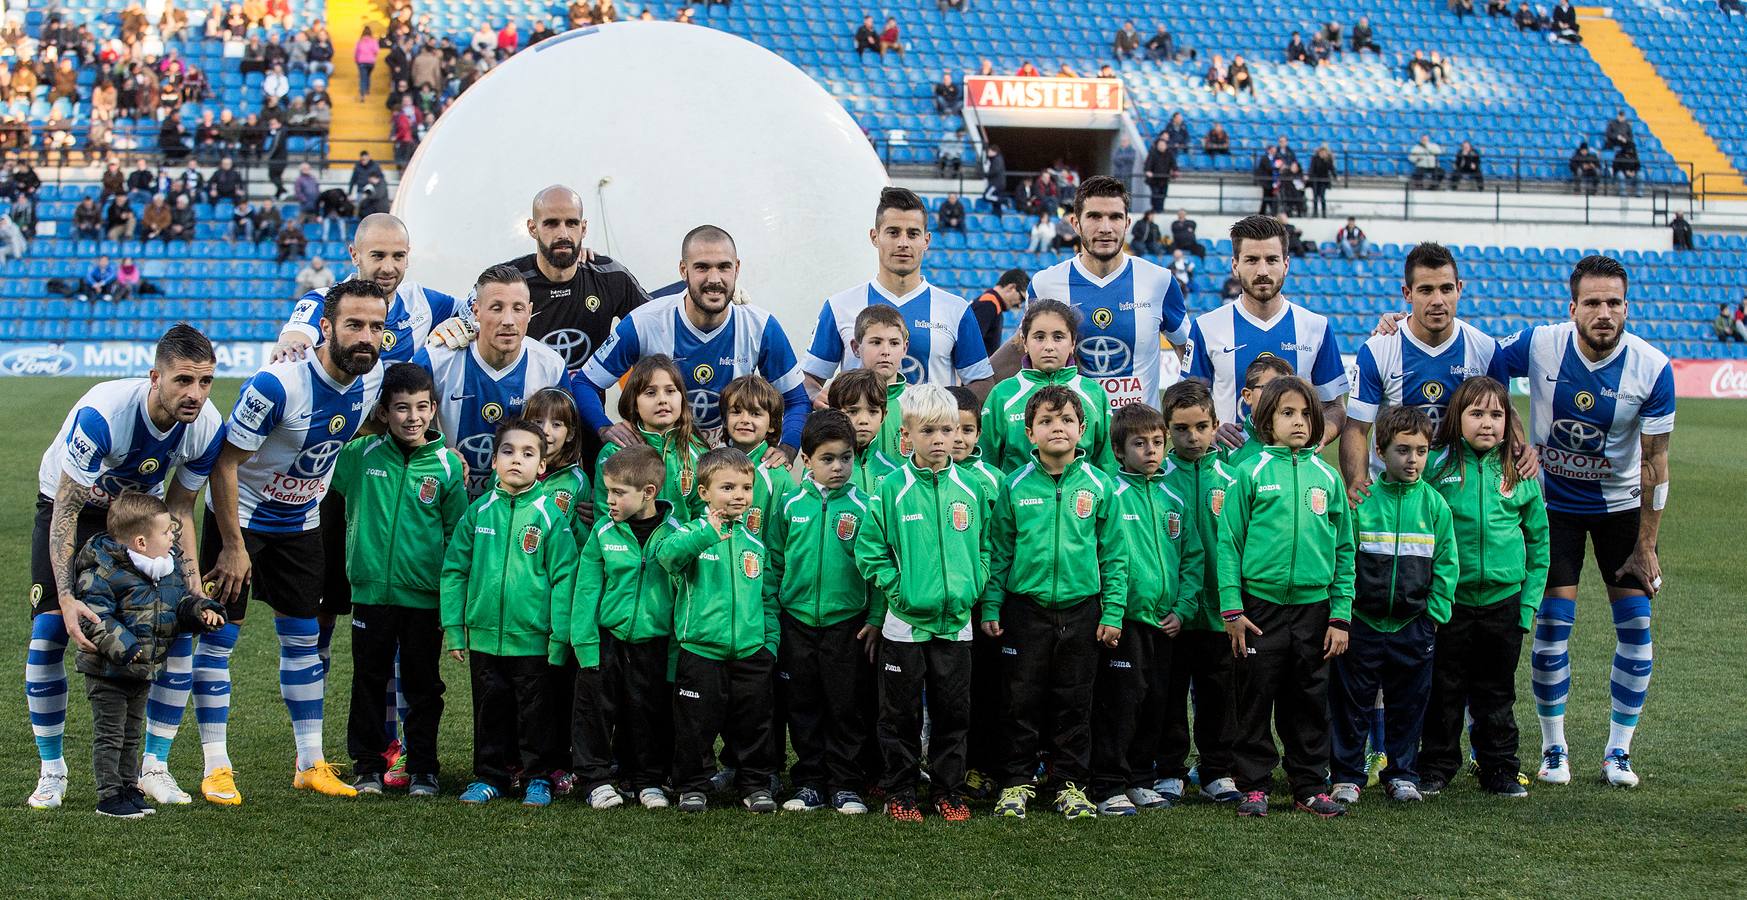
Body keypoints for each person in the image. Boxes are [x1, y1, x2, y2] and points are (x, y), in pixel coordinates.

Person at [200, 280, 389, 801]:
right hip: (241, 521)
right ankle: (216, 765)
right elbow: (225, 463)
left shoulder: (371, 381)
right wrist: (233, 545)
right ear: (325, 328)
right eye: (353, 324)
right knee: (218, 639)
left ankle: (310, 762)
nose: (365, 336)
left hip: (301, 523)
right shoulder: (276, 385)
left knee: (305, 641)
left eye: (376, 326)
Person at [24, 326, 225, 811]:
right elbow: (67, 509)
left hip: (141, 518)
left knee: (176, 628)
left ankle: (154, 767)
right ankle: (52, 771)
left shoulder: (205, 425)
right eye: (182, 381)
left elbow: (180, 510)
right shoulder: (104, 415)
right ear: (156, 377)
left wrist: (192, 594)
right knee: (52, 630)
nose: (194, 394)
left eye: (204, 382)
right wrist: (69, 597)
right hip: (72, 508)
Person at [1494, 256, 1674, 789]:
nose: (1603, 312)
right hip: (1555, 510)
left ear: (1626, 308)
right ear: (1572, 307)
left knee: (1637, 631)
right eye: (1592, 302)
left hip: (1621, 510)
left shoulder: (1651, 366)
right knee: (1551, 631)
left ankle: (1618, 752)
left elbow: (1655, 463)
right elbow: (1484, 361)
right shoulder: (1541, 343)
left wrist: (1647, 546)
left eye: (1613, 302)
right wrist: (1515, 435)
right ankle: (1554, 750)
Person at [981, 385, 1126, 820]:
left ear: (1083, 430)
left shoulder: (1101, 487)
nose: (1056, 428)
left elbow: (1115, 556)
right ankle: (1015, 783)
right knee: (1020, 701)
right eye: (1046, 421)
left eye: (1066, 421)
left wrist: (1114, 610)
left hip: (1083, 611)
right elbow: (999, 550)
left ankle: (1071, 786)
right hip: (1026, 610)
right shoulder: (1014, 485)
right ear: (1029, 433)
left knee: (1074, 702)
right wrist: (991, 606)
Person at [1216, 375, 1354, 818]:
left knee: (1309, 700)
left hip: (1314, 610)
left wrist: (1340, 616)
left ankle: (1309, 785)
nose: (1298, 422)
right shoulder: (1248, 473)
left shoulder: (1327, 478)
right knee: (1254, 696)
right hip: (1259, 609)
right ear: (1264, 422)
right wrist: (1233, 609)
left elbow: (1344, 550)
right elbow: (1229, 544)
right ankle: (1252, 784)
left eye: (1306, 414)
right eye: (1287, 413)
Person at [854, 385, 989, 822]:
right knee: (900, 716)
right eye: (928, 430)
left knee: (954, 714)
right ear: (906, 435)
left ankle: (948, 791)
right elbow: (869, 548)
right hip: (904, 626)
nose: (939, 439)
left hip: (956, 624)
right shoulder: (890, 488)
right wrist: (899, 591)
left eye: (947, 430)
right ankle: (901, 791)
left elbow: (988, 546)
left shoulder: (971, 487)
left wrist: (975, 582)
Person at [331, 363, 466, 796]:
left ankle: (424, 768)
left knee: (423, 685)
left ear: (433, 409)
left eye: (422, 407)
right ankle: (368, 766)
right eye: (402, 408)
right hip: (371, 594)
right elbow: (316, 473)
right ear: (383, 412)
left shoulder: (447, 467)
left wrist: (450, 601)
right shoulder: (359, 457)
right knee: (369, 680)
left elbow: (456, 537)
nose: (413, 417)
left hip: (425, 598)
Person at [1420, 376, 1549, 798]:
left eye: (1497, 414)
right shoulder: (1436, 470)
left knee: (1496, 693)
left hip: (1504, 605)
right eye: (1476, 414)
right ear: (1457, 419)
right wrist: (1433, 600)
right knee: (1445, 690)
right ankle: (1437, 767)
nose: (1487, 423)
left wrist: (1527, 607)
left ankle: (1500, 769)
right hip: (1450, 605)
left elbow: (1539, 543)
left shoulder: (1519, 472)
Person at [441, 419, 578, 806]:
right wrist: (454, 628)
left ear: (542, 467)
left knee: (537, 712)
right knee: (490, 709)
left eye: (528, 453)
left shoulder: (551, 516)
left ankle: (538, 776)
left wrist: (559, 636)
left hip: (533, 639)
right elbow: (455, 571)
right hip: (484, 635)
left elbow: (565, 578)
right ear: (495, 460)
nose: (517, 460)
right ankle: (490, 776)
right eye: (508, 451)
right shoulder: (478, 511)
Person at [577, 226, 810, 453]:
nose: (714, 278)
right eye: (702, 267)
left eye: (724, 267)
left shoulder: (761, 326)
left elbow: (797, 400)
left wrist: (787, 449)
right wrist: (604, 427)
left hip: (729, 469)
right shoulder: (644, 322)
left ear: (737, 269)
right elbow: (585, 383)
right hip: (661, 466)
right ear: (683, 270)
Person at [1328, 406, 1455, 806]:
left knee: (1408, 706)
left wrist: (1434, 614)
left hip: (1412, 626)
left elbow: (1448, 563)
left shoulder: (1435, 506)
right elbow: (1344, 559)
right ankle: (1347, 775)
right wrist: (1344, 612)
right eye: (1403, 450)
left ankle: (1402, 773)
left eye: (1421, 450)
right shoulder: (1362, 501)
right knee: (1351, 705)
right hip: (1363, 623)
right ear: (1380, 451)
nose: (1413, 459)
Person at [73, 491, 226, 819]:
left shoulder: (165, 568)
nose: (173, 537)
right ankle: (109, 795)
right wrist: (126, 648)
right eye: (166, 532)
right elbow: (94, 615)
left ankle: (130, 787)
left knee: (131, 733)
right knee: (111, 734)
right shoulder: (101, 567)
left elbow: (178, 603)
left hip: (144, 669)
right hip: (109, 670)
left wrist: (202, 610)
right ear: (141, 541)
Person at [1087, 402, 1201, 815]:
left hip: (1164, 622)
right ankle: (1107, 783)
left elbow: (1192, 556)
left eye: (1157, 442)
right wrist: (1111, 611)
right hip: (1124, 622)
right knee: (1120, 704)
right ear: (1119, 451)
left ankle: (1139, 778)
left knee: (1156, 701)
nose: (1151, 451)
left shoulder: (1174, 497)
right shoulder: (1109, 493)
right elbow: (1101, 557)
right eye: (1140, 444)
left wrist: (1184, 608)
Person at [1343, 242, 1518, 507]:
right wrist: (1357, 482)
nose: (1438, 300)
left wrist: (1519, 453)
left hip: (1459, 494)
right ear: (1408, 293)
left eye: (1446, 289)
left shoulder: (1485, 350)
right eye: (1426, 290)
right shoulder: (1379, 349)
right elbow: (1357, 428)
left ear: (1459, 289)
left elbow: (1505, 418)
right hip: (1394, 493)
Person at [996, 176, 1190, 411]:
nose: (1105, 228)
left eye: (1115, 217)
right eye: (1094, 216)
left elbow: (1185, 348)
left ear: (1127, 223)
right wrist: (975, 384)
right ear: (1075, 223)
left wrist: (1187, 402)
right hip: (1073, 436)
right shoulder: (1045, 284)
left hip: (1138, 437)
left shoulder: (1159, 281)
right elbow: (1023, 346)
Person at [557, 444, 681, 809]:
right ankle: (596, 780)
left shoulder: (676, 534)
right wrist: (583, 644)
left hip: (655, 643)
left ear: (648, 494)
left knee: (648, 712)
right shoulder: (602, 532)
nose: (608, 499)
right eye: (607, 490)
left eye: (617, 493)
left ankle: (647, 780)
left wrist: (676, 649)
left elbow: (684, 595)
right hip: (606, 639)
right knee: (594, 710)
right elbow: (586, 590)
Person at [763, 410, 874, 814]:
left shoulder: (865, 507)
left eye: (846, 458)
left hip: (847, 624)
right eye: (827, 459)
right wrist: (773, 613)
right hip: (797, 623)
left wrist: (874, 618)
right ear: (805, 461)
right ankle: (808, 782)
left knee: (845, 706)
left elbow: (877, 568)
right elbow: (774, 560)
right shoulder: (790, 505)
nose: (839, 467)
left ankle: (845, 784)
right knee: (803, 706)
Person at [659, 448, 780, 813]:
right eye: (727, 487)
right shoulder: (692, 533)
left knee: (753, 726)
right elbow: (668, 558)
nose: (739, 495)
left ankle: (755, 784)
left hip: (750, 652)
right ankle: (692, 786)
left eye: (746, 487)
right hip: (701, 652)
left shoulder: (756, 542)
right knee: (695, 727)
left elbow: (768, 596)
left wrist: (768, 643)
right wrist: (705, 534)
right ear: (703, 492)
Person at [801, 188, 994, 398]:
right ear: (874, 237)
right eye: (893, 232)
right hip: (860, 431)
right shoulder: (839, 307)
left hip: (929, 429)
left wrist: (942, 410)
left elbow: (981, 382)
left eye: (913, 234)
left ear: (926, 241)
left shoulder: (956, 310)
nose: (903, 243)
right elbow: (809, 379)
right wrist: (815, 397)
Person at [1184, 215, 1349, 445]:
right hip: (1229, 473)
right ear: (1235, 265)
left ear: (1286, 265)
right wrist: (1212, 431)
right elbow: (1188, 405)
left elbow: (1334, 407)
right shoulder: (1206, 327)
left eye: (1272, 260)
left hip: (1294, 471)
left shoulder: (1316, 327)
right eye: (1251, 260)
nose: (1262, 270)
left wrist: (1317, 437)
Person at [412, 265, 569, 498]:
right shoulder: (436, 358)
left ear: (530, 311)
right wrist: (432, 450)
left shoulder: (551, 367)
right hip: (440, 499)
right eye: (496, 308)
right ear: (476, 311)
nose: (508, 320)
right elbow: (397, 424)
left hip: (513, 509)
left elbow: (564, 445)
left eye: (518, 309)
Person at [1157, 380, 1241, 804]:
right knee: (1169, 690)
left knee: (1218, 689)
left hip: (1220, 608)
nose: (1193, 437)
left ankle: (1216, 769)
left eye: (1201, 426)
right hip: (1171, 611)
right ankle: (1169, 768)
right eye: (1181, 428)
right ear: (1167, 428)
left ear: (1215, 425)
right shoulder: (1155, 479)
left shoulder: (1233, 478)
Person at [273, 213, 464, 365]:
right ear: (354, 255)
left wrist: (465, 323)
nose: (388, 268)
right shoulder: (323, 300)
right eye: (378, 256)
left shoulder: (422, 302)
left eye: (398, 256)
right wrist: (290, 343)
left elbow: (479, 308)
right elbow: (297, 336)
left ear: (407, 256)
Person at [980, 300, 1116, 473]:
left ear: (1072, 343)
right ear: (1025, 342)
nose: (1049, 346)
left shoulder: (1094, 393)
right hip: (1018, 498)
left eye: (1058, 337)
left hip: (1082, 499)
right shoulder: (1002, 395)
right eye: (1039, 337)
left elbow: (1108, 464)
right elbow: (985, 467)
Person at [720, 375, 796, 539]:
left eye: (755, 413)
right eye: (736, 412)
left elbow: (783, 539)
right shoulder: (713, 467)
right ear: (725, 420)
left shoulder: (778, 477)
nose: (745, 420)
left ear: (772, 425)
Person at [828, 369, 904, 495]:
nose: (863, 420)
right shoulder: (821, 468)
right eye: (852, 411)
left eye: (873, 412)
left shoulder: (893, 471)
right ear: (834, 414)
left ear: (883, 416)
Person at [972, 269, 1029, 358]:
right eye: (1021, 298)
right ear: (1011, 287)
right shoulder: (988, 304)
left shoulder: (991, 304)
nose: (1019, 305)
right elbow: (971, 343)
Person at [1144, 137, 1175, 214]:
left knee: (1163, 195)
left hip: (1164, 179)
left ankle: (1160, 210)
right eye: (1160, 145)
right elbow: (1148, 164)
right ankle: (1155, 209)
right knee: (1155, 194)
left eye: (1163, 145)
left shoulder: (1169, 154)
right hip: (1154, 179)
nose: (1161, 146)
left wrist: (1174, 170)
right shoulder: (1153, 153)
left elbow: (1174, 164)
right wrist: (1148, 171)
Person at [1309, 146, 1336, 217]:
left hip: (1323, 181)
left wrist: (1335, 176)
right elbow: (1311, 169)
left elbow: (1331, 169)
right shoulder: (1315, 159)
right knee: (1315, 197)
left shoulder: (1328, 160)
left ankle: (1324, 212)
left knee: (1322, 196)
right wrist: (1310, 178)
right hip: (1315, 180)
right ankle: (1315, 212)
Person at [355, 26, 379, 101]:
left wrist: (356, 60)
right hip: (371, 62)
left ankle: (362, 92)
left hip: (361, 61)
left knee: (363, 78)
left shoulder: (360, 41)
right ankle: (367, 89)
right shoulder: (373, 41)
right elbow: (376, 51)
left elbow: (356, 52)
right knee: (368, 75)